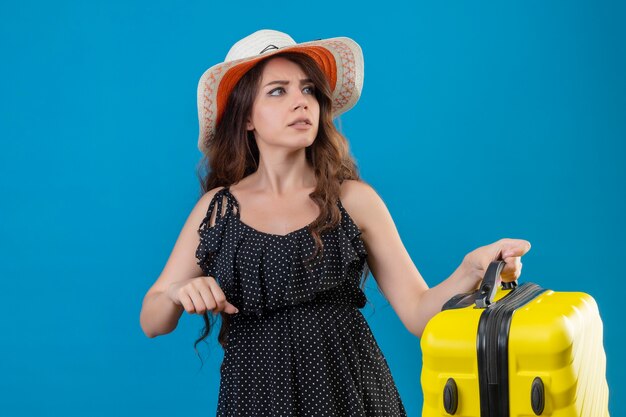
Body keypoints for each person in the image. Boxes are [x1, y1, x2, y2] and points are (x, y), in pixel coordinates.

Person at [139, 29, 530, 416]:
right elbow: (152, 320)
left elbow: (418, 313)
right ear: (245, 119)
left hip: (351, 393)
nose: (301, 102)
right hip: (256, 398)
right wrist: (176, 292)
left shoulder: (354, 200)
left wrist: (470, 269)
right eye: (278, 91)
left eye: (308, 89)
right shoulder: (218, 210)